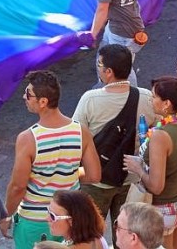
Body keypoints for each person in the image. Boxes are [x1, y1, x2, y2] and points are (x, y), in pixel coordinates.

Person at [6, 70, 101, 249]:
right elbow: (94, 175)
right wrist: (69, 174)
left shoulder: (28, 138)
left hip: (35, 221)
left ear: (43, 102)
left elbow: (18, 186)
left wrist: (6, 215)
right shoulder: (81, 131)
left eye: (28, 94)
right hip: (70, 219)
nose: (23, 97)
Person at [73, 44, 156, 246]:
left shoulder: (90, 99)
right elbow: (154, 127)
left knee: (89, 234)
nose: (98, 68)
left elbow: (75, 137)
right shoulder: (146, 97)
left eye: (99, 64)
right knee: (128, 236)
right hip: (132, 178)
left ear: (108, 72)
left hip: (97, 180)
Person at [122, 77, 177, 249]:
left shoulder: (160, 135)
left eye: (153, 96)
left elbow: (156, 187)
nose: (150, 100)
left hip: (167, 208)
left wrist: (138, 168)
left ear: (166, 103)